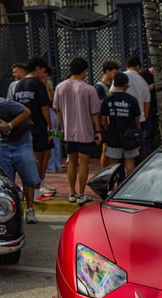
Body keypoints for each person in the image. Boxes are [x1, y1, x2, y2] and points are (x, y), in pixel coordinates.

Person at [53, 57, 103, 205]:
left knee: (71, 162)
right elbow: (95, 112)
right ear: (83, 71)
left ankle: (71, 193)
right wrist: (98, 130)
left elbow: (57, 109)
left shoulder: (60, 87)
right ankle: (81, 193)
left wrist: (63, 126)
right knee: (83, 164)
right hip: (84, 132)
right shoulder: (89, 89)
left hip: (69, 132)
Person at [14, 56, 57, 201]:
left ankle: (35, 187)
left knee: (34, 158)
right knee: (40, 158)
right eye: (43, 71)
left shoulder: (19, 85)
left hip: (24, 127)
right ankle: (36, 190)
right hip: (38, 126)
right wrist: (50, 127)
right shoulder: (38, 85)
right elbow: (44, 108)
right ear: (38, 68)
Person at [101, 72, 141, 176]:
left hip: (113, 135)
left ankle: (117, 184)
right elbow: (137, 120)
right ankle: (129, 183)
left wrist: (108, 130)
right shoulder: (132, 100)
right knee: (130, 162)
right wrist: (137, 134)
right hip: (129, 136)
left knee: (114, 165)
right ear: (126, 84)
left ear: (114, 84)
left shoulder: (107, 100)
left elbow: (103, 121)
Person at [95, 60, 120, 168]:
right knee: (105, 148)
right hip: (105, 121)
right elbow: (97, 105)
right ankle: (103, 170)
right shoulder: (100, 87)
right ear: (107, 72)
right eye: (114, 72)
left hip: (113, 120)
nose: (116, 75)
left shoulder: (115, 85)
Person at [139, 65, 158, 158]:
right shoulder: (143, 75)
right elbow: (141, 90)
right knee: (147, 131)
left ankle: (150, 149)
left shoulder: (157, 76)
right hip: (147, 107)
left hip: (154, 106)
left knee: (152, 131)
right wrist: (151, 86)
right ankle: (146, 152)